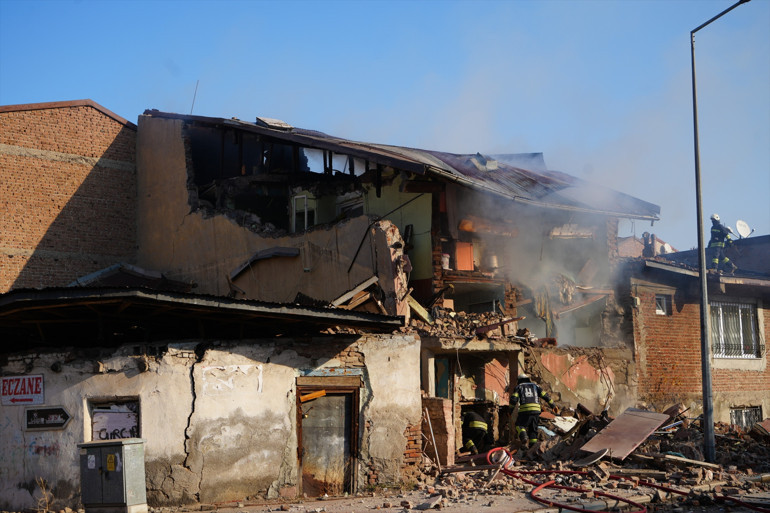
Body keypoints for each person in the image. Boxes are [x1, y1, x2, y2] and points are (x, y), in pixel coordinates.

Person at [512, 373, 557, 448]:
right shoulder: (536, 386)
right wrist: (553, 405)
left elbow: (513, 399)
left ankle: (524, 438)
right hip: (536, 411)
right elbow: (545, 396)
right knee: (533, 429)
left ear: (519, 380)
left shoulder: (519, 387)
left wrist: (510, 410)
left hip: (525, 410)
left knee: (519, 425)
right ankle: (533, 447)